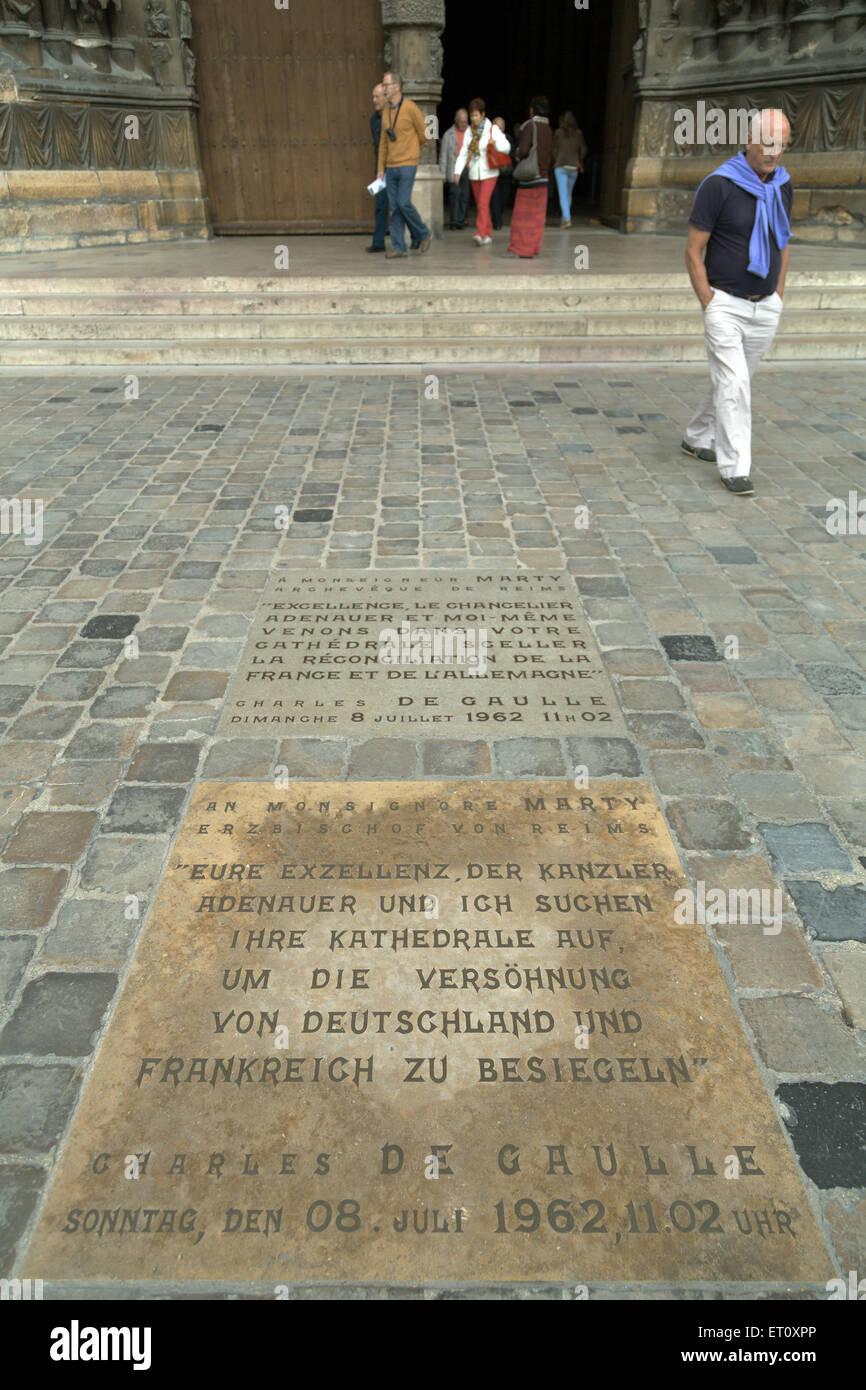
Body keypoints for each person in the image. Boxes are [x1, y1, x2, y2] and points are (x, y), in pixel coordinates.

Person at [682, 108, 792, 497]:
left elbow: (782, 240)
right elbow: (694, 250)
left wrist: (778, 293)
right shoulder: (719, 185)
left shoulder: (781, 185)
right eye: (767, 141)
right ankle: (735, 466)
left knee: (735, 380)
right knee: (734, 384)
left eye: (780, 143)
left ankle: (696, 435)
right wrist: (709, 302)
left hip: (765, 305)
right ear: (748, 140)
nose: (773, 151)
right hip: (725, 303)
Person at [377, 71, 432, 259]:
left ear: (397, 86)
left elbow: (425, 134)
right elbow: (383, 143)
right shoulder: (385, 111)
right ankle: (399, 246)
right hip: (391, 166)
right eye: (383, 85)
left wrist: (411, 148)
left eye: (386, 85)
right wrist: (380, 169)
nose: (383, 88)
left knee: (403, 202)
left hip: (408, 163)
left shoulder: (410, 108)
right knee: (395, 207)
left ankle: (423, 233)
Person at [453, 97, 511, 246]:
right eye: (472, 116)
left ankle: (480, 233)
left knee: (483, 203)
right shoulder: (469, 132)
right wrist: (457, 171)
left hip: (489, 172)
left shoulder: (493, 129)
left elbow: (507, 147)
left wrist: (496, 143)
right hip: (474, 173)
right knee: (481, 204)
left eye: (476, 115)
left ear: (483, 114)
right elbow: (464, 153)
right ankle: (488, 233)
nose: (474, 118)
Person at [507, 95, 553, 259]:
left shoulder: (530, 126)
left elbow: (525, 150)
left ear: (532, 109)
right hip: (544, 177)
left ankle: (519, 249)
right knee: (536, 218)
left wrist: (518, 153)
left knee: (522, 216)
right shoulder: (548, 129)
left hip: (530, 178)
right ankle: (533, 248)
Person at [552, 111, 588, 228]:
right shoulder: (579, 134)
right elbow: (583, 149)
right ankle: (564, 218)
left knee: (562, 194)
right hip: (574, 167)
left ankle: (567, 218)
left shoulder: (558, 133)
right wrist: (578, 159)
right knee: (568, 194)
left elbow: (553, 149)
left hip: (561, 166)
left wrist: (556, 158)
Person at [440, 108, 470, 229]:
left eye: (466, 121)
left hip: (467, 168)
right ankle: (454, 221)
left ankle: (461, 220)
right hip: (453, 169)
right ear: (456, 121)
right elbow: (443, 155)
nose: (464, 124)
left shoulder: (471, 133)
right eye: (462, 121)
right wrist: (442, 175)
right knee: (455, 194)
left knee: (465, 196)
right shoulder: (448, 134)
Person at [367, 83, 389, 253]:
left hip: (397, 166)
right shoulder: (374, 120)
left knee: (401, 205)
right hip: (382, 169)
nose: (374, 100)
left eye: (377, 96)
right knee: (381, 204)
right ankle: (378, 241)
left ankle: (417, 236)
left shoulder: (394, 116)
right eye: (373, 96)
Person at [489, 116, 513, 231]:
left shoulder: (508, 138)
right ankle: (497, 221)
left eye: (501, 126)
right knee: (495, 198)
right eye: (497, 126)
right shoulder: (488, 139)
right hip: (493, 173)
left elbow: (511, 154)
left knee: (504, 198)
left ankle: (497, 216)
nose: (499, 128)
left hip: (505, 173)